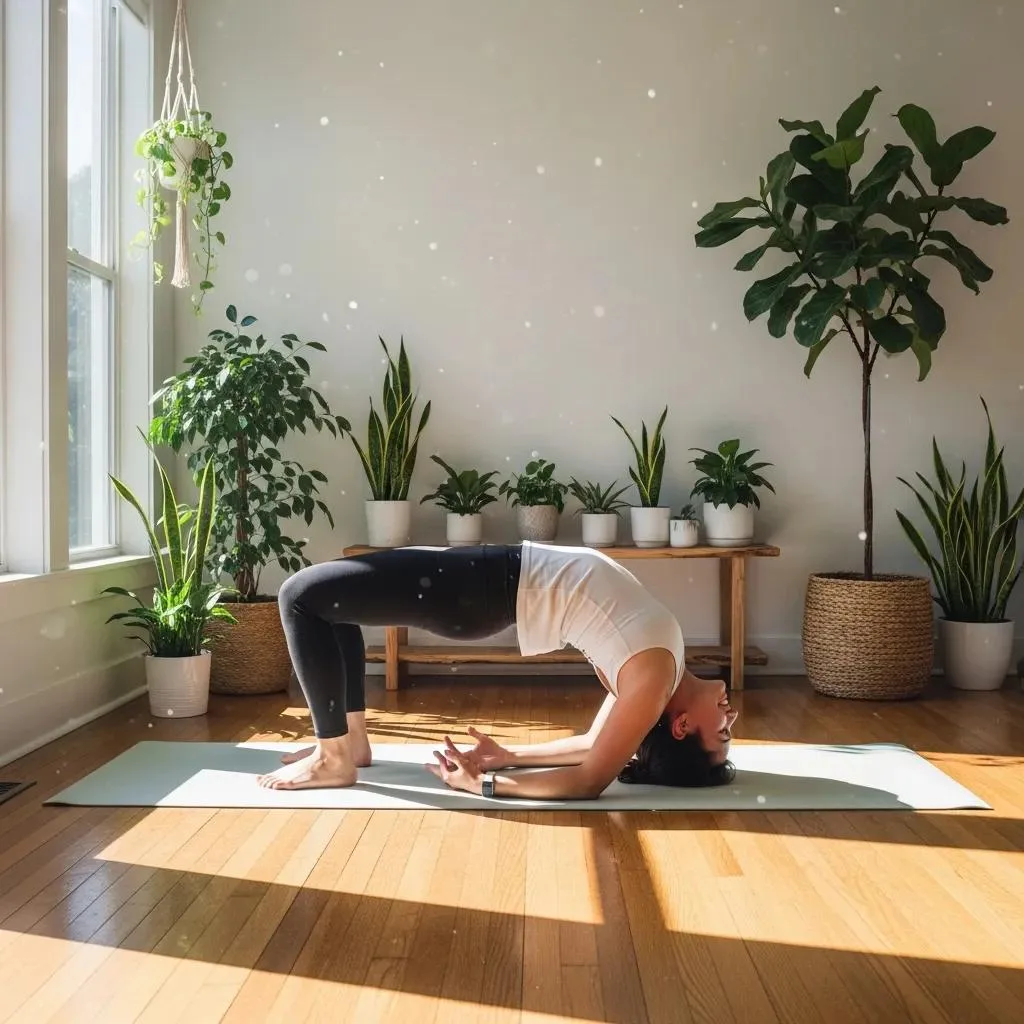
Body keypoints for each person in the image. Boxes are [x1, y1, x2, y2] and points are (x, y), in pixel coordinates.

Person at [258, 541, 738, 797]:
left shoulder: (653, 678)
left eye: (722, 735)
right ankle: (352, 744)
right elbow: (594, 744)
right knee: (335, 603)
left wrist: (483, 783)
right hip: (489, 577)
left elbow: (589, 779)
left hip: (484, 587)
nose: (730, 719)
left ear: (682, 727)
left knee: (301, 598)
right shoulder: (660, 675)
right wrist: (509, 756)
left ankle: (333, 758)